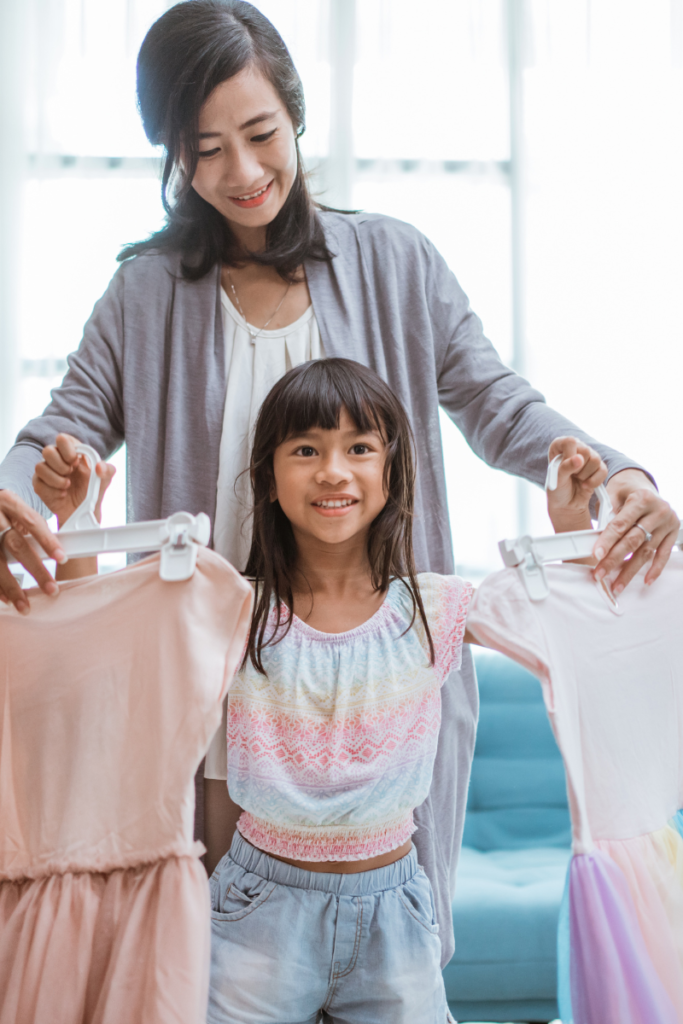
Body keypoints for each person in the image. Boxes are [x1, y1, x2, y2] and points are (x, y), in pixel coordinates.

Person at [0, 0, 678, 969]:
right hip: (225, 726)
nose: (241, 172)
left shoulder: (396, 264)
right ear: (172, 157)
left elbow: (501, 407)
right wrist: (23, 496)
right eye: (204, 149)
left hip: (381, 732)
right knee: (226, 984)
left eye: (260, 133)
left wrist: (617, 478)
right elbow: (49, 438)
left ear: (296, 112)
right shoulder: (144, 298)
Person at [36, 357, 612, 1023]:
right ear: (269, 477)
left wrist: (573, 529)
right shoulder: (233, 605)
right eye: (305, 449)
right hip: (259, 912)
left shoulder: (436, 607)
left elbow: (571, 628)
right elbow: (93, 631)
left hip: (394, 911)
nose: (333, 470)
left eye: (359, 448)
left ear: (390, 471)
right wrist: (77, 522)